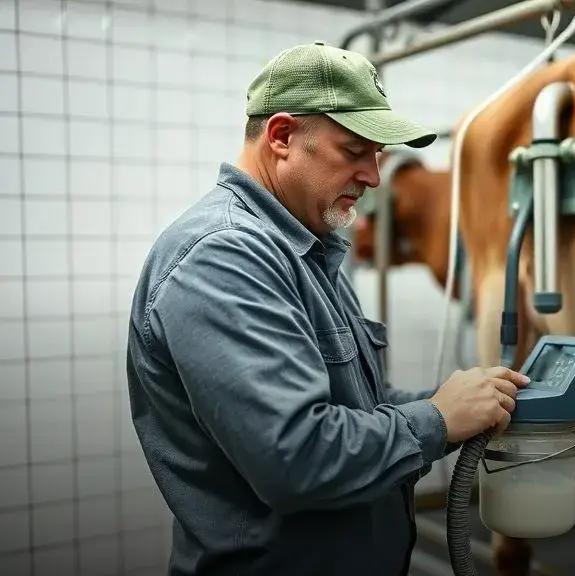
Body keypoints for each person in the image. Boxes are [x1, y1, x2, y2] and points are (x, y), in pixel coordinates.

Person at [126, 42, 529, 575]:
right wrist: (437, 420)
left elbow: (353, 409)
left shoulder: (310, 249)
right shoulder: (225, 257)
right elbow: (297, 457)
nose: (374, 177)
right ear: (282, 137)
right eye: (354, 151)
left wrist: (464, 400)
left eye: (377, 155)